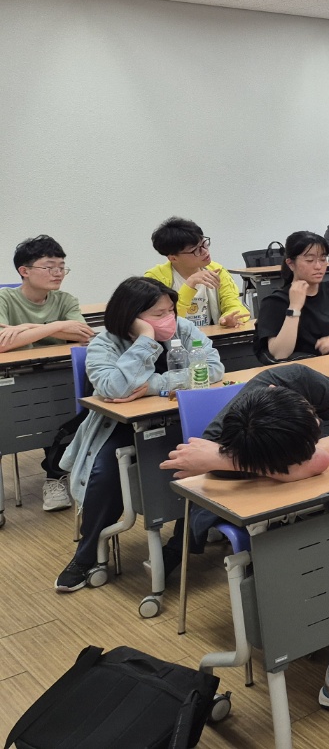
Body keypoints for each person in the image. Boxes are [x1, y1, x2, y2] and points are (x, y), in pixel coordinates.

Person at [160, 369, 329, 730]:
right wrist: (242, 462)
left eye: (314, 418)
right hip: (255, 515)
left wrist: (301, 460)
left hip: (304, 493)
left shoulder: (295, 379)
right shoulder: (231, 437)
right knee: (326, 542)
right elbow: (197, 487)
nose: (319, 423)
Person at [56, 277, 223, 592]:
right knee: (104, 473)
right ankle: (87, 552)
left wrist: (153, 386)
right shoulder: (105, 343)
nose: (169, 318)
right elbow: (114, 388)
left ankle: (179, 545)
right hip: (120, 427)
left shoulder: (183, 329)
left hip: (180, 421)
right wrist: (146, 339)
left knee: (206, 461)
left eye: (171, 310)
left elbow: (213, 368)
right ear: (131, 317)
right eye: (159, 314)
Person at [0, 236, 94, 512]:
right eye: (49, 267)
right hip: (13, 380)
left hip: (55, 378)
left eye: (62, 267)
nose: (58, 273)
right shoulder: (4, 298)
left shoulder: (65, 299)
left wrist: (25, 329)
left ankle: (55, 476)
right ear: (24, 271)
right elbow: (2, 343)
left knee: (63, 412)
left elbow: (84, 335)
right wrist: (55, 327)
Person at [254, 231, 329, 364]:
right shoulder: (275, 301)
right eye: (310, 260)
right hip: (302, 372)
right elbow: (280, 354)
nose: (318, 266)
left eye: (323, 259)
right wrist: (294, 308)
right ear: (291, 264)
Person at [144, 217, 250, 329]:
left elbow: (234, 305)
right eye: (195, 250)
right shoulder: (154, 279)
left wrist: (228, 318)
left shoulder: (217, 271)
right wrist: (189, 284)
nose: (205, 251)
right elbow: (163, 321)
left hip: (211, 337)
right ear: (173, 258)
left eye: (204, 243)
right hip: (175, 338)